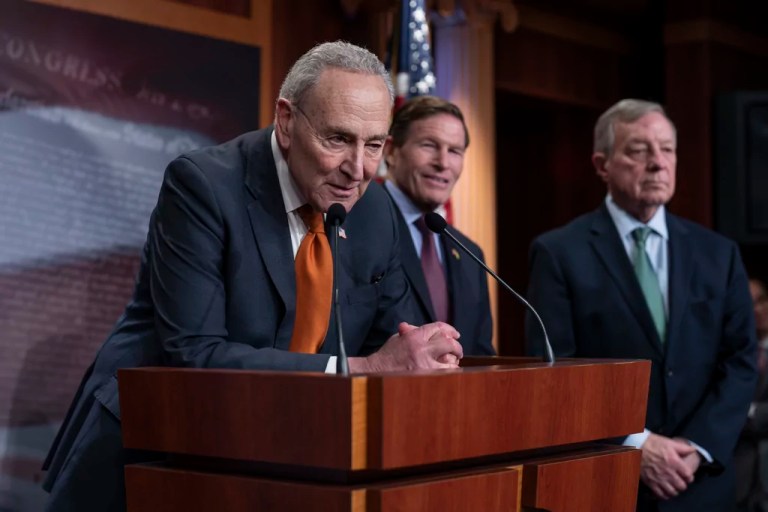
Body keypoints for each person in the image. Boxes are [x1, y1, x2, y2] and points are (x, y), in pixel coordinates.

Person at [41, 41, 464, 512]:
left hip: (287, 459)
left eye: (374, 145)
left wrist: (423, 355)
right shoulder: (202, 186)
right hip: (156, 452)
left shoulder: (376, 209)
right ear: (286, 121)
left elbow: (393, 342)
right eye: (338, 139)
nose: (358, 169)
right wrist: (361, 369)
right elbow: (195, 353)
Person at [525, 98, 757, 511]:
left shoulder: (718, 254)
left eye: (667, 149)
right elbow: (555, 370)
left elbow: (740, 360)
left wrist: (696, 446)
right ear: (602, 164)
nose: (657, 163)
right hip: (609, 483)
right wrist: (636, 444)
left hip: (700, 482)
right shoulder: (559, 253)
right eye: (638, 150)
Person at [383, 96, 495, 356]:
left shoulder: (471, 255)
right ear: (391, 151)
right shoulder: (356, 228)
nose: (443, 163)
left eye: (455, 151)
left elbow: (481, 354)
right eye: (429, 145)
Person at [735, 278, 768, 512]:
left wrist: (739, 411)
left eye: (762, 300)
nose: (757, 309)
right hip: (738, 474)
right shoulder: (730, 353)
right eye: (749, 303)